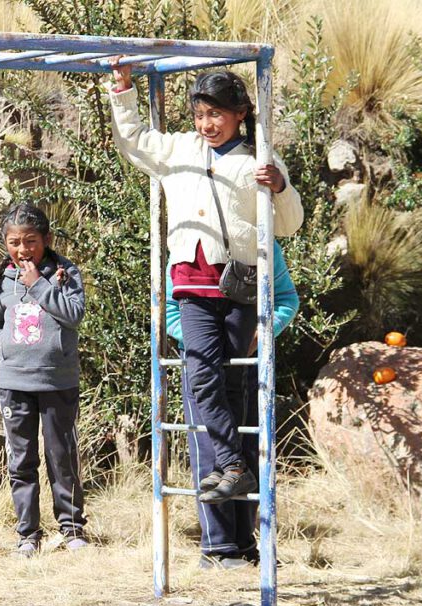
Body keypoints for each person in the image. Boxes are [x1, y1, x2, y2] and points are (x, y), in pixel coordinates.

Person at [110, 60, 304, 504]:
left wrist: (280, 187)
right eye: (199, 115)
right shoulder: (179, 149)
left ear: (240, 113)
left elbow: (289, 225)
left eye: (215, 114)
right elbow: (133, 139)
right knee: (201, 375)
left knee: (231, 381)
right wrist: (123, 92)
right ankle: (233, 465)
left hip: (237, 287)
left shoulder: (259, 159)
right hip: (190, 286)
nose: (206, 124)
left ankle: (232, 474)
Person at [166, 240, 299, 568]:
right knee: (210, 450)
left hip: (247, 363)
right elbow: (169, 309)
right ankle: (217, 547)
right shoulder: (188, 246)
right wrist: (201, 342)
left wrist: (260, 335)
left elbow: (286, 299)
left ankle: (244, 543)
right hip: (201, 365)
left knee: (249, 450)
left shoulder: (261, 244)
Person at [0, 202, 88, 557]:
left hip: (57, 380)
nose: (23, 249)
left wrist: (40, 286)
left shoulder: (65, 273)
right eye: (14, 242)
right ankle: (28, 535)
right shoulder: (2, 278)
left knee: (61, 455)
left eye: (30, 241)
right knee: (21, 460)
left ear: (47, 239)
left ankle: (72, 528)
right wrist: (10, 341)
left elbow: (74, 315)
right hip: (14, 382)